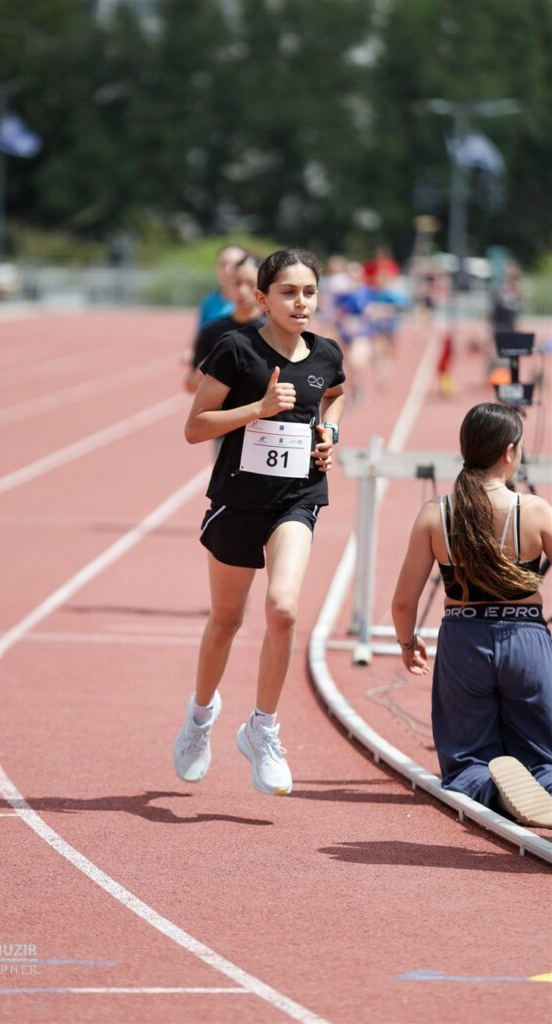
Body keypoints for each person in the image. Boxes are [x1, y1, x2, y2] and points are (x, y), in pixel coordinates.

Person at [174, 248, 346, 795]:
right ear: (263, 297)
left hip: (296, 500)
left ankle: (262, 728)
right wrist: (258, 409)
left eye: (309, 293)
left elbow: (336, 396)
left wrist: (330, 435)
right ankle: (200, 718)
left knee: (285, 610)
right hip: (237, 501)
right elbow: (195, 427)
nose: (301, 303)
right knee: (226, 620)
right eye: (290, 292)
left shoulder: (326, 354)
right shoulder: (236, 349)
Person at [391, 403, 552, 827]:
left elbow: (403, 602)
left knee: (466, 764)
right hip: (526, 641)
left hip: (463, 642)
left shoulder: (436, 514)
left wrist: (408, 645)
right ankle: (545, 790)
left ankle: (495, 793)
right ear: (510, 452)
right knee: (544, 757)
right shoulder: (535, 511)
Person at [184, 252, 265, 394]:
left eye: (251, 284)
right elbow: (190, 386)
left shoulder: (274, 331)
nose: (242, 291)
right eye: (237, 283)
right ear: (228, 286)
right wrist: (207, 367)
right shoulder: (211, 331)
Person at [198, 243, 247, 329]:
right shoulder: (209, 302)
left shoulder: (259, 302)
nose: (227, 270)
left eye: (234, 264)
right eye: (223, 264)